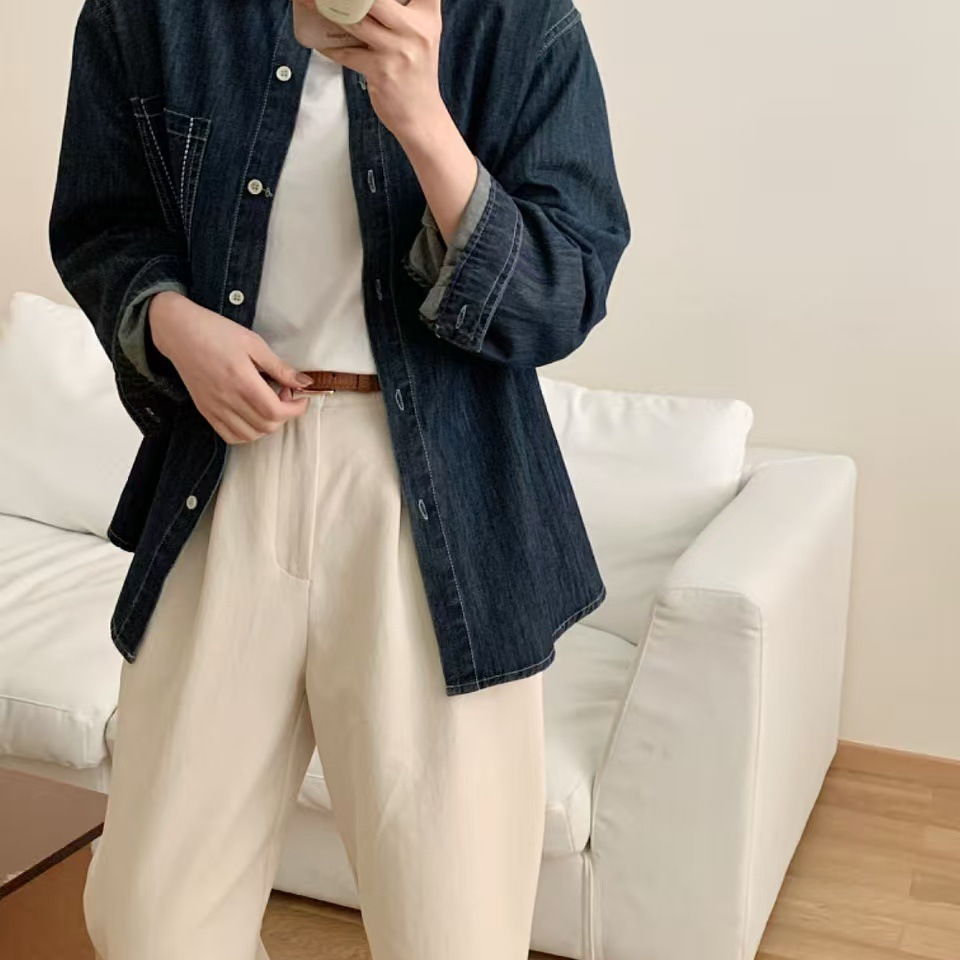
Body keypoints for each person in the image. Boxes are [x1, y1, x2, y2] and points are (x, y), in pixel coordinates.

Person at [48, 0, 630, 957]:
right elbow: (100, 225)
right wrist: (171, 325)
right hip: (223, 470)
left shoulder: (517, 23)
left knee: (453, 927)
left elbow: (566, 288)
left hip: (436, 492)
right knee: (152, 921)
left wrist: (423, 120)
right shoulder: (148, 15)